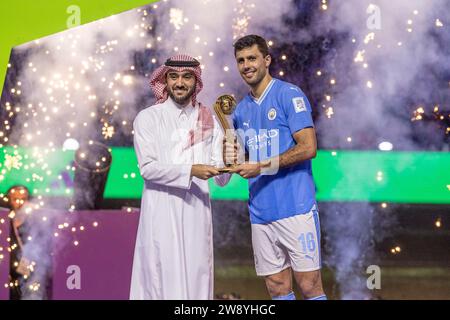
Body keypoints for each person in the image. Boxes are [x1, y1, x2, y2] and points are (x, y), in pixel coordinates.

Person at [225, 35, 327, 300]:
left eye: (252, 58)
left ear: (267, 60)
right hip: (260, 213)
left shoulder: (288, 94)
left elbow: (308, 148)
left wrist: (260, 166)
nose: (246, 65)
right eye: (241, 60)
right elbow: (238, 157)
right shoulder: (240, 111)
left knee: (309, 286)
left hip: (296, 208)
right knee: (277, 288)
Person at [130, 54, 231, 300]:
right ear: (164, 80)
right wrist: (191, 171)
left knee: (197, 279)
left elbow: (222, 177)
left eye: (187, 77)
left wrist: (230, 159)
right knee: (159, 280)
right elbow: (148, 168)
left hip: (196, 214)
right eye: (173, 76)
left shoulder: (210, 120)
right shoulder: (149, 118)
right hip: (160, 214)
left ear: (196, 82)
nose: (180, 83)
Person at [6, 185, 32, 300]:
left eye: (23, 199)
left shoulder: (36, 221)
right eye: (15, 199)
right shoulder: (4, 221)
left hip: (31, 277)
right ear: (9, 200)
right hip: (8, 278)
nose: (20, 202)